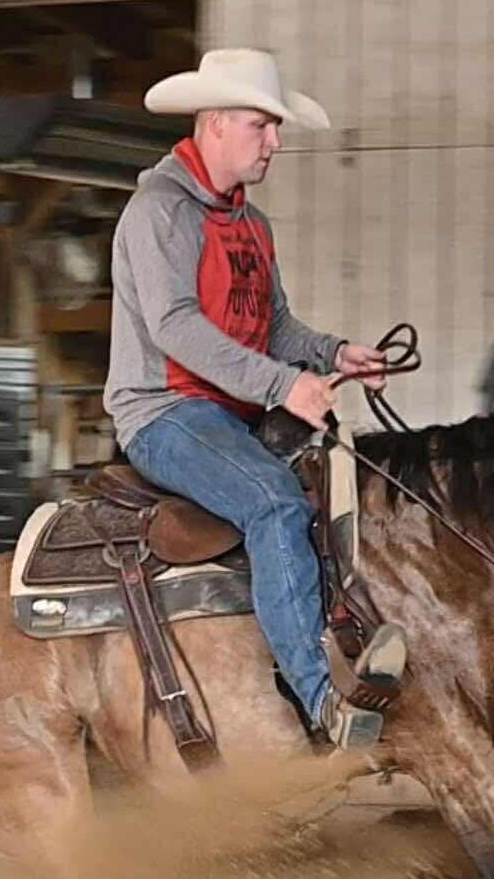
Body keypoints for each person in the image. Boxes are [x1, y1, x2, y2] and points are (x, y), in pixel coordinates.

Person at [103, 48, 405, 751]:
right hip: (164, 412)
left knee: (349, 483)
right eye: (260, 126)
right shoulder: (158, 214)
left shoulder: (251, 224)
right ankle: (321, 700)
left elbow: (273, 325)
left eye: (275, 128)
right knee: (273, 501)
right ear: (212, 124)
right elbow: (175, 328)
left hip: (227, 411)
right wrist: (283, 384)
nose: (274, 142)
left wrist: (331, 354)